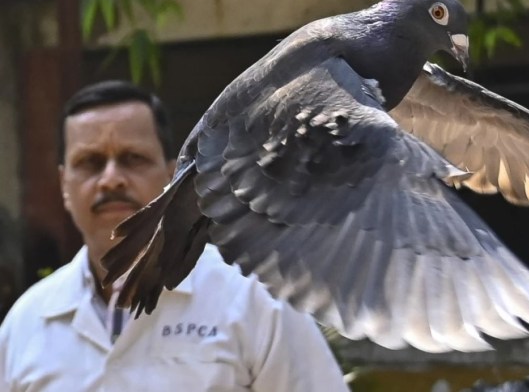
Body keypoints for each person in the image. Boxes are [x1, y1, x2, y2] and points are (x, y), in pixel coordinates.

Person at [0, 80, 349, 391]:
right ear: (64, 184)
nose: (111, 179)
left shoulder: (253, 299)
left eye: (132, 158)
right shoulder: (26, 323)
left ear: (172, 174)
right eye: (90, 162)